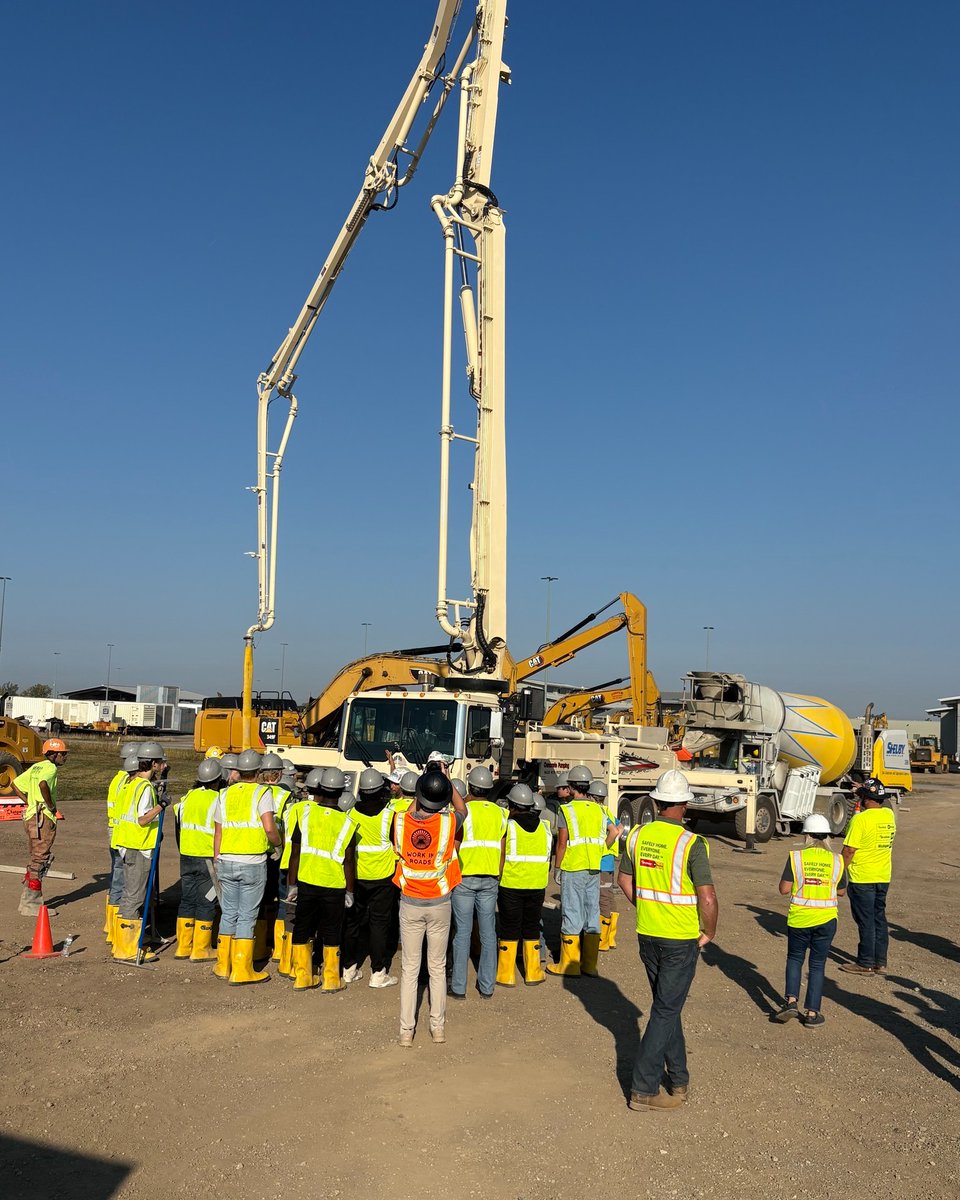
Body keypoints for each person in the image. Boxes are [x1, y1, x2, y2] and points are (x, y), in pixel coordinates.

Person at [617, 769, 718, 1112]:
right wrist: (710, 931)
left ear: (657, 802)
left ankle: (678, 1079)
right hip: (679, 939)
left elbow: (624, 880)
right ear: (685, 804)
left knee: (666, 1006)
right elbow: (707, 897)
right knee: (665, 1010)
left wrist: (647, 906)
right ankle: (643, 1088)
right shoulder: (692, 843)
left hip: (648, 933)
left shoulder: (637, 835)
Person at [394, 768, 467, 1046]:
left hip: (410, 903)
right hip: (439, 903)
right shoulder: (448, 824)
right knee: (437, 968)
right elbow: (463, 809)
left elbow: (412, 811)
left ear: (419, 795)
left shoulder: (400, 821)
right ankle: (438, 1028)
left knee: (410, 969)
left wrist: (423, 786)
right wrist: (446, 780)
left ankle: (406, 1032)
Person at [213, 749, 282, 985]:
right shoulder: (262, 793)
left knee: (229, 913)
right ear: (258, 771)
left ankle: (223, 965)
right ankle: (242, 970)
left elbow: (218, 832)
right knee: (246, 916)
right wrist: (278, 845)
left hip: (226, 860)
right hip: (252, 861)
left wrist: (217, 858)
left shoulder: (224, 794)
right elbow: (269, 828)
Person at [287, 766, 356, 992]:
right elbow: (349, 862)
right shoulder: (347, 823)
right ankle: (331, 979)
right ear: (341, 791)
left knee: (303, 926)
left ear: (320, 788)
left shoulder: (306, 815)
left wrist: (292, 884)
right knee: (332, 930)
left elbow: (295, 853)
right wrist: (350, 891)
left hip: (307, 881)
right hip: (334, 885)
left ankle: (302, 976)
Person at [774, 813, 847, 1027]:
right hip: (826, 919)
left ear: (807, 836)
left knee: (795, 959)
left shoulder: (796, 857)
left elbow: (784, 889)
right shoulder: (837, 860)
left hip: (800, 918)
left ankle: (790, 1002)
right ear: (827, 837)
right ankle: (812, 1013)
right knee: (817, 964)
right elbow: (841, 891)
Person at [548, 765, 619, 977]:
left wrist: (557, 868)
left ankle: (569, 965)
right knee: (592, 912)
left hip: (573, 867)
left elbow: (562, 843)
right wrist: (601, 850)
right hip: (594, 868)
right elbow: (612, 833)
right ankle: (589, 965)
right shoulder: (599, 810)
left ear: (571, 787)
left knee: (572, 912)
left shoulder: (567, 810)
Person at [449, 765, 507, 1000]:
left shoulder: (463, 812)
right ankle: (487, 987)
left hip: (464, 878)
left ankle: (458, 987)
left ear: (470, 787)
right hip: (490, 879)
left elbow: (455, 847)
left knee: (462, 933)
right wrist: (497, 874)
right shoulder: (500, 814)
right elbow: (502, 850)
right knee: (488, 934)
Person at [342, 767, 400, 988]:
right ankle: (378, 972)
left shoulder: (350, 814)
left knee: (352, 923)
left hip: (355, 877)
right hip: (383, 878)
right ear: (380, 789)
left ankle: (349, 969)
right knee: (379, 925)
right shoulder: (389, 815)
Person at [113, 742, 168, 962]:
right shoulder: (144, 787)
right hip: (139, 846)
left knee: (129, 895)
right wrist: (161, 806)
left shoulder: (130, 783)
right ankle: (127, 949)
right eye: (159, 763)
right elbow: (143, 819)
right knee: (135, 897)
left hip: (128, 844)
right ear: (153, 763)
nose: (161, 766)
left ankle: (122, 943)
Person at [839, 777, 897, 975]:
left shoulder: (860, 819)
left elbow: (849, 850)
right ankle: (880, 962)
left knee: (865, 921)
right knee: (879, 918)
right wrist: (863, 790)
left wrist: (839, 872)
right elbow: (878, 801)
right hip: (882, 877)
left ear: (864, 798)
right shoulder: (888, 815)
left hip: (862, 877)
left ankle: (865, 962)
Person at [497, 783, 551, 986]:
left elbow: (502, 854)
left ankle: (505, 975)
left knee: (509, 927)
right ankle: (533, 973)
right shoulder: (545, 827)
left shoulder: (508, 826)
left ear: (512, 805)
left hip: (511, 884)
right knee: (531, 927)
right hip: (537, 885)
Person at [173, 758, 222, 962]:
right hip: (206, 857)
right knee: (207, 901)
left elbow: (178, 821)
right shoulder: (218, 799)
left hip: (186, 854)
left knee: (187, 899)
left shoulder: (187, 797)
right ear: (218, 779)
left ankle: (183, 947)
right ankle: (201, 949)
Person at [15, 738, 69, 918]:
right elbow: (43, 784)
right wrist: (50, 806)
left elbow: (16, 784)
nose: (65, 757)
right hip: (42, 818)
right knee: (40, 859)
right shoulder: (51, 768)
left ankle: (26, 901)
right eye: (63, 753)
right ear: (53, 754)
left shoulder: (36, 766)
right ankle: (31, 904)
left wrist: (30, 802)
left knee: (35, 857)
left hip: (32, 815)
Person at [104, 741, 139, 942]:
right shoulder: (126, 781)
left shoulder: (117, 779)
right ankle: (115, 927)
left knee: (116, 876)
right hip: (121, 833)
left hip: (114, 831)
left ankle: (111, 924)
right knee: (121, 878)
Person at [588, 779, 621, 952]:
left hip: (602, 862)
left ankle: (603, 941)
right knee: (608, 897)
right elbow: (620, 828)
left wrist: (604, 847)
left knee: (603, 899)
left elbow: (614, 831)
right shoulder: (608, 810)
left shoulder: (599, 812)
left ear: (592, 797)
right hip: (609, 863)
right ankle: (611, 937)